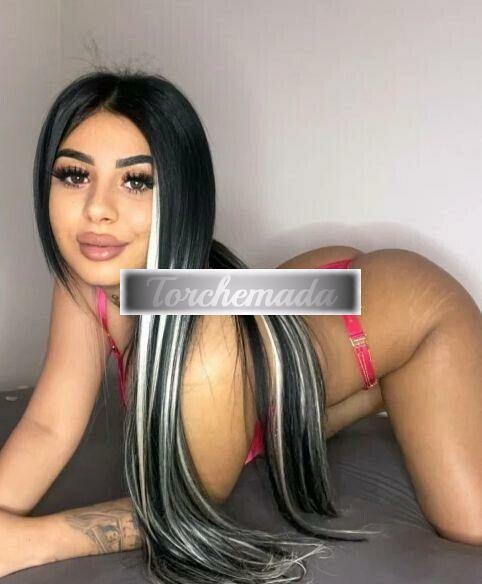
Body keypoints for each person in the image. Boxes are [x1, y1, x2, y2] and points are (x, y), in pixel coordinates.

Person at [0, 68, 480, 581]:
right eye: (75, 175)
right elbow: (49, 426)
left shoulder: (207, 347)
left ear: (182, 196)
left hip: (413, 315)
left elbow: (187, 506)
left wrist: (34, 541)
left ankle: (391, 372)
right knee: (260, 386)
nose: (98, 210)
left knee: (471, 529)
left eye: (136, 181)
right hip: (305, 298)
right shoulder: (84, 282)